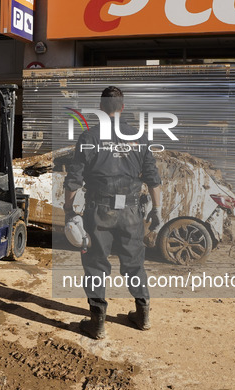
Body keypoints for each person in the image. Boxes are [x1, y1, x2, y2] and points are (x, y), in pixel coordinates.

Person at [63, 86, 163, 340]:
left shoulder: (89, 137)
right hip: (131, 212)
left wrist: (69, 211)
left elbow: (73, 180)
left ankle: (97, 323)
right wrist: (158, 210)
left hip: (99, 212)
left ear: (101, 108)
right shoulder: (139, 137)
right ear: (123, 107)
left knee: (96, 265)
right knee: (134, 264)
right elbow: (153, 178)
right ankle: (143, 315)